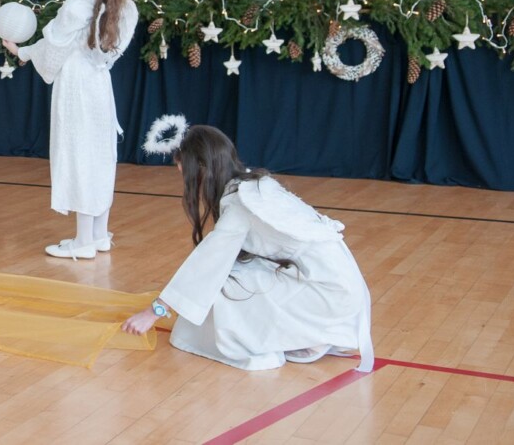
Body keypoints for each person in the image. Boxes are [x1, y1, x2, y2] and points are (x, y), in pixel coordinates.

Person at [120, 124, 374, 372]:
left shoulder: (240, 205)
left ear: (201, 169)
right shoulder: (253, 183)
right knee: (237, 271)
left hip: (327, 293)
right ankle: (310, 332)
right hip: (340, 287)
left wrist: (154, 311)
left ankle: (305, 336)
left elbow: (207, 264)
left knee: (223, 288)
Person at [3, 0, 137, 259]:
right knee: (99, 156)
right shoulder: (112, 3)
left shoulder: (77, 8)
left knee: (79, 157)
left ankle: (82, 242)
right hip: (99, 88)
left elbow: (54, 48)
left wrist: (22, 51)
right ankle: (98, 234)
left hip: (77, 88)